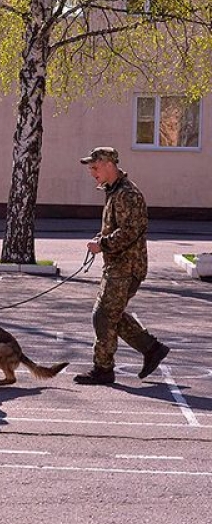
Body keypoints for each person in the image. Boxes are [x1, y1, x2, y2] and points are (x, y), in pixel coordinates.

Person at [73, 147, 170, 385]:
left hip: (127, 266)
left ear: (108, 164)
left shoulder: (128, 194)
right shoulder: (114, 191)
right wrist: (101, 238)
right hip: (118, 264)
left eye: (95, 167)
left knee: (104, 315)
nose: (92, 172)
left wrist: (103, 244)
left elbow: (130, 231)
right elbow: (117, 227)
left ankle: (103, 369)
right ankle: (151, 348)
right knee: (110, 313)